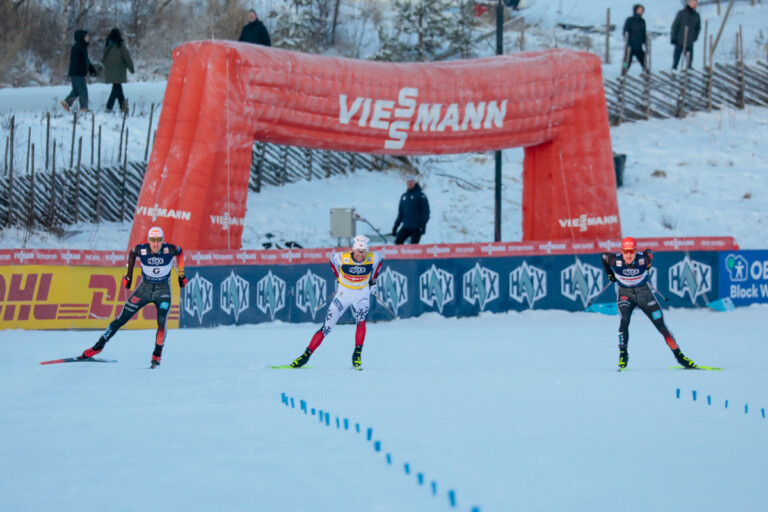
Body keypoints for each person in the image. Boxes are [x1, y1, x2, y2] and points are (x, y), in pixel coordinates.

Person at [79, 227, 187, 369]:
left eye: (159, 240)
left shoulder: (170, 249)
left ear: (162, 240)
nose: (156, 243)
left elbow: (180, 252)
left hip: (163, 291)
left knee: (162, 320)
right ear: (149, 240)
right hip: (144, 289)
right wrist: (128, 275)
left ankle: (157, 353)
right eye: (153, 240)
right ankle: (98, 346)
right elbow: (132, 254)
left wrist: (181, 274)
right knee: (122, 318)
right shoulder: (141, 250)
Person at [601, 236, 697, 370]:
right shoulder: (615, 259)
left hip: (644, 293)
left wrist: (647, 268)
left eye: (631, 252)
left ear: (636, 251)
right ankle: (623, 355)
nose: (629, 255)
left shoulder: (643, 259)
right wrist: (609, 273)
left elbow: (649, 253)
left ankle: (680, 357)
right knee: (624, 320)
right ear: (621, 251)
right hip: (625, 294)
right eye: (626, 252)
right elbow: (603, 257)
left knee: (661, 326)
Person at [290, 235, 383, 369]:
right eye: (358, 251)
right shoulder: (342, 257)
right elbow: (331, 261)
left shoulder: (373, 257)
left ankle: (357, 355)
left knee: (361, 321)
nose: (361, 255)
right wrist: (339, 278)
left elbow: (380, 260)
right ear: (353, 250)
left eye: (363, 252)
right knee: (326, 327)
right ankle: (305, 356)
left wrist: (373, 280)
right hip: (343, 295)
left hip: (361, 294)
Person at [61, 30, 97, 113]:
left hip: (78, 73)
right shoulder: (78, 48)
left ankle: (66, 102)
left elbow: (86, 61)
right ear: (81, 38)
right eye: (86, 36)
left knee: (77, 90)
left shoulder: (82, 47)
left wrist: (91, 69)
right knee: (83, 91)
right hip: (77, 73)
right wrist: (83, 69)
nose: (88, 38)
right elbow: (78, 61)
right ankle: (83, 108)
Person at [102, 28, 135, 114]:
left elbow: (104, 57)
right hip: (119, 70)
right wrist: (131, 68)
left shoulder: (107, 44)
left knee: (117, 87)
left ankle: (123, 106)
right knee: (116, 87)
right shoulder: (120, 44)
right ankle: (109, 107)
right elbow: (126, 57)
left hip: (110, 70)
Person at [392, 178, 430, 245]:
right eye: (408, 181)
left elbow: (426, 211)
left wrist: (423, 224)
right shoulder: (404, 196)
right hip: (406, 226)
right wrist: (396, 225)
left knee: (414, 247)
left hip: (417, 227)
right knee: (397, 243)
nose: (410, 183)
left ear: (414, 183)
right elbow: (401, 213)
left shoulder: (421, 196)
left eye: (412, 181)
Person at [671, 0, 701, 70]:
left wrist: (695, 37)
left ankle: (688, 72)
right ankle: (674, 70)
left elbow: (698, 28)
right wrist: (673, 37)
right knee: (676, 59)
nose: (695, 4)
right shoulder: (681, 13)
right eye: (693, 2)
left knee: (689, 60)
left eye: (696, 3)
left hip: (690, 42)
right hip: (680, 40)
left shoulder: (696, 15)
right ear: (689, 3)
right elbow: (675, 26)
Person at [622, 4, 647, 74]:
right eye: (639, 10)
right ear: (635, 10)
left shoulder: (642, 21)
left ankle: (646, 72)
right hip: (630, 45)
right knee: (626, 61)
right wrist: (628, 39)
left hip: (639, 46)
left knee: (643, 60)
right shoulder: (629, 20)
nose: (641, 11)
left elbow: (644, 32)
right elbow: (625, 31)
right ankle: (623, 72)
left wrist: (645, 42)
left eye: (642, 10)